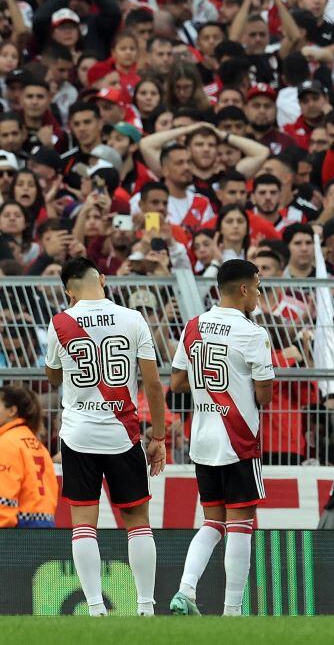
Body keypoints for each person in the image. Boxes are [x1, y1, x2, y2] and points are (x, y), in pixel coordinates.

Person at [44, 257, 166, 616]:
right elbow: (153, 384)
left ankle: (96, 607)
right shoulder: (133, 318)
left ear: (68, 291)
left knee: (83, 524)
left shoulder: (60, 322)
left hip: (78, 434)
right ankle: (145, 606)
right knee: (137, 522)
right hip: (122, 433)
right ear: (103, 279)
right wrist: (158, 437)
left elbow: (53, 376)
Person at [168, 258, 275, 616]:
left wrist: (208, 387)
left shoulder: (193, 326)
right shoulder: (253, 333)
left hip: (203, 440)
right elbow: (264, 395)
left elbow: (177, 382)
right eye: (257, 287)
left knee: (213, 522)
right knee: (240, 525)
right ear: (244, 288)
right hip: (238, 439)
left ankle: (186, 590)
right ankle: (232, 611)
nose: (258, 295)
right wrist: (237, 384)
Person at [0, 385, 58, 527]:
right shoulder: (38, 445)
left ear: (12, 411)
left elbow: (3, 495)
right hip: (45, 526)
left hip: (16, 529)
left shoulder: (6, 443)